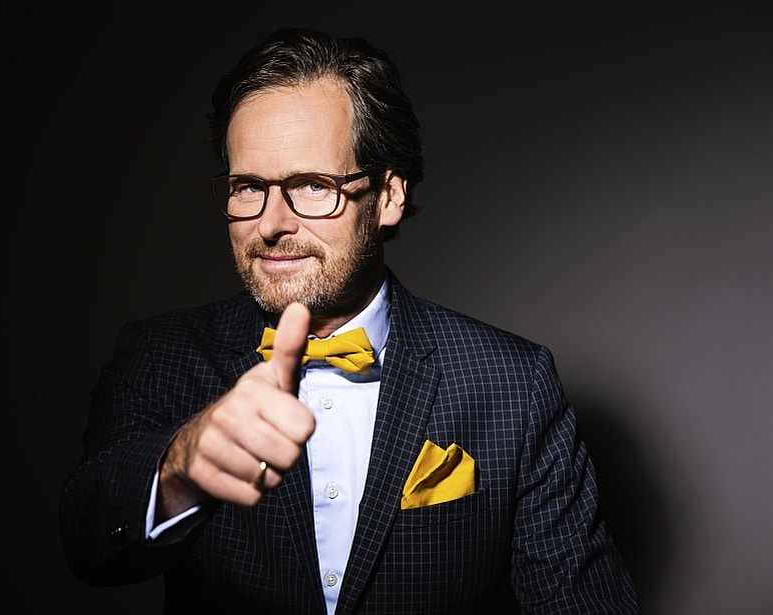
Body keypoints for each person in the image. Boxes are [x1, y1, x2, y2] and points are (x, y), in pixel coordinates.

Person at [59, 26, 639, 614]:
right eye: (248, 187)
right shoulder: (159, 356)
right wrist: (181, 465)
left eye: (313, 186)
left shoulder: (513, 382)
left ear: (388, 196)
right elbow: (88, 542)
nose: (271, 224)